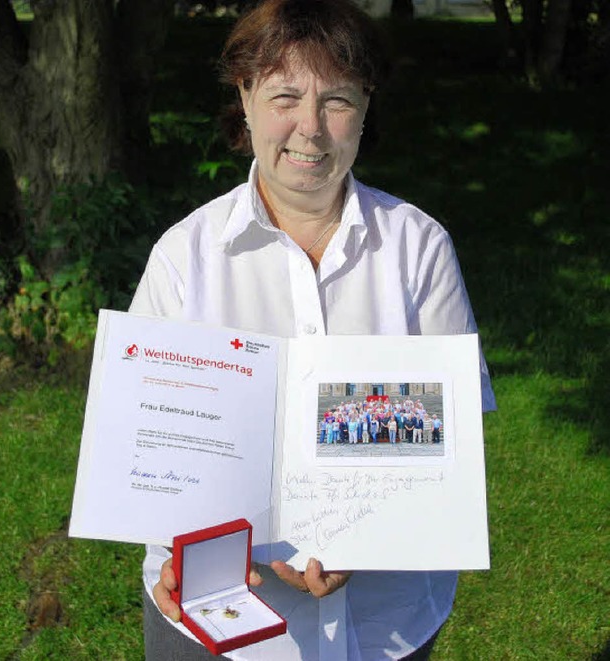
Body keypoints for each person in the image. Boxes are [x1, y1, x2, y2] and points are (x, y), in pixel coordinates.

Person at [130, 0, 496, 658]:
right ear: (244, 97)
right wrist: (189, 544)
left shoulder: (419, 248)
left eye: (337, 100)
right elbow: (152, 452)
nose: (310, 129)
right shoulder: (184, 257)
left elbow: (452, 438)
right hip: (216, 623)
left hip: (387, 621)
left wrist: (368, 531)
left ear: (366, 106)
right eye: (284, 95)